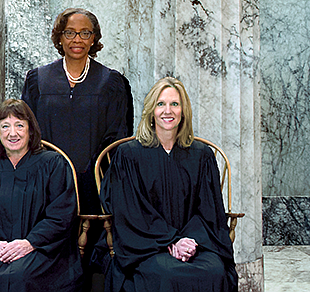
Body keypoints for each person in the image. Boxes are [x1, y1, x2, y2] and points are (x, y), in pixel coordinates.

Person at [20, 8, 132, 281]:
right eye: (70, 32)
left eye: (85, 33)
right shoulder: (39, 79)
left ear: (94, 39)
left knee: (89, 254)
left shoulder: (110, 82)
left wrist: (94, 173)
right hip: (45, 182)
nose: (77, 39)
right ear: (59, 37)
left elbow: (118, 136)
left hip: (92, 182)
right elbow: (27, 131)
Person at [101, 77, 236, 291]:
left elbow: (210, 212)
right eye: (161, 104)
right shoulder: (129, 156)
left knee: (214, 271)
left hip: (195, 243)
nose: (168, 111)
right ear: (151, 111)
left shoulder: (201, 156)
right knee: (167, 273)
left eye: (175, 104)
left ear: (183, 111)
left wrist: (188, 242)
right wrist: (170, 240)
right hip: (145, 246)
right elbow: (130, 212)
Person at [0, 99, 82, 292]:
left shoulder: (52, 164)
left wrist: (30, 242)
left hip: (43, 248)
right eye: (5, 126)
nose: (12, 133)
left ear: (30, 130)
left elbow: (61, 214)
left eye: (19, 125)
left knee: (19, 276)